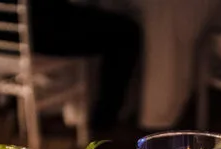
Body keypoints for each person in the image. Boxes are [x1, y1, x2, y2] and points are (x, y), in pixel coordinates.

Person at [29, 0, 142, 131]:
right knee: (126, 34)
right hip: (42, 31)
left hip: (6, 38)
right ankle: (105, 121)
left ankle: (102, 116)